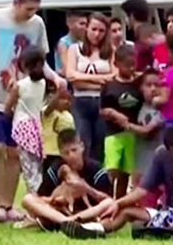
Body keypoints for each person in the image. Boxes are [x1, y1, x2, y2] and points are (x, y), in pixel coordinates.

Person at [0, 0, 65, 223]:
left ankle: (8, 204)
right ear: (16, 2)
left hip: (23, 100)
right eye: (28, 9)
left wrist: (55, 77)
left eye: (35, 9)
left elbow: (41, 62)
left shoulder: (37, 25)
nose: (32, 14)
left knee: (15, 152)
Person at [61, 127, 173, 241]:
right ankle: (93, 229)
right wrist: (118, 203)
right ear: (170, 151)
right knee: (126, 211)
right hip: (172, 214)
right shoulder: (161, 155)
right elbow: (142, 190)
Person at [21, 130, 114, 233]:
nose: (71, 156)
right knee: (28, 199)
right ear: (60, 153)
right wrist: (55, 200)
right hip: (61, 212)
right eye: (66, 153)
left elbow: (109, 199)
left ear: (82, 147)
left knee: (109, 203)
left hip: (88, 212)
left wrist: (86, 188)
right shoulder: (55, 170)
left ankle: (70, 221)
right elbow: (40, 197)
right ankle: (67, 221)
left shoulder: (96, 170)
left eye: (74, 150)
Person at [65, 13, 115, 162]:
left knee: (100, 143)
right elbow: (71, 75)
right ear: (87, 28)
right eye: (94, 29)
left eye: (101, 31)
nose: (97, 34)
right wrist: (100, 79)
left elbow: (114, 77)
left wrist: (83, 78)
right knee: (83, 142)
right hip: (81, 101)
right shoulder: (74, 49)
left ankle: (97, 174)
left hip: (102, 101)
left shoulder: (110, 50)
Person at [100, 45, 142, 198]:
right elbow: (102, 110)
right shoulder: (109, 86)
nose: (131, 69)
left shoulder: (137, 85)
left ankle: (120, 201)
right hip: (113, 134)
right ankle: (106, 199)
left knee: (126, 172)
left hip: (132, 134)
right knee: (112, 169)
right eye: (127, 65)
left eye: (133, 65)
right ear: (116, 64)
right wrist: (114, 114)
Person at [6, 46, 48, 195]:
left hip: (23, 127)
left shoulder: (20, 86)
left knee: (28, 168)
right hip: (37, 127)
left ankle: (35, 198)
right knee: (37, 167)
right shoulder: (43, 84)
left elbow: (7, 107)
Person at [126, 69, 165, 207]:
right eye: (148, 85)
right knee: (145, 204)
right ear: (141, 87)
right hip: (141, 164)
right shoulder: (137, 107)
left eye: (157, 85)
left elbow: (146, 131)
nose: (153, 89)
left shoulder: (164, 109)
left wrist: (126, 124)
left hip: (159, 165)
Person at [41, 89, 75, 173]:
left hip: (64, 153)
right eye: (63, 99)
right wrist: (58, 94)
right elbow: (50, 107)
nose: (66, 102)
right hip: (50, 153)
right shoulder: (49, 113)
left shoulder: (69, 116)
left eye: (68, 100)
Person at [54, 10, 88, 77]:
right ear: (70, 24)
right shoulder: (63, 43)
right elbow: (67, 70)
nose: (85, 28)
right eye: (82, 24)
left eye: (87, 24)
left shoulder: (86, 42)